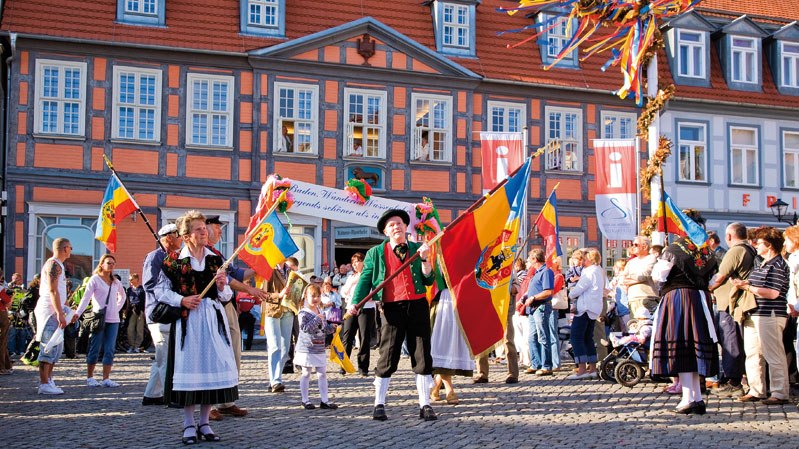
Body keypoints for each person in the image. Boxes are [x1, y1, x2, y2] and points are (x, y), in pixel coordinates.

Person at [155, 211, 238, 444]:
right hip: (188, 321)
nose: (204, 232)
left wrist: (222, 287)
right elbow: (160, 291)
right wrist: (181, 300)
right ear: (187, 235)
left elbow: (226, 296)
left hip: (212, 320)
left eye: (204, 228)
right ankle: (189, 424)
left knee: (211, 367)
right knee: (190, 370)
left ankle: (205, 422)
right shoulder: (173, 261)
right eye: (199, 229)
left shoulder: (215, 259)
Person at [346, 209, 437, 421]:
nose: (396, 227)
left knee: (422, 354)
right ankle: (379, 403)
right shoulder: (376, 253)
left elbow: (429, 280)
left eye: (399, 223)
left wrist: (425, 260)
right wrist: (354, 303)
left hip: (417, 305)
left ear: (406, 228)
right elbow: (365, 280)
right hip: (391, 308)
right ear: (386, 232)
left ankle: (425, 404)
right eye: (391, 225)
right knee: (388, 354)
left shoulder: (418, 249)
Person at [650, 234, 718, 415]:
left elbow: (658, 275)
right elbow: (713, 280)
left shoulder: (674, 250)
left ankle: (689, 398)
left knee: (683, 346)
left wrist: (661, 258)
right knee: (693, 349)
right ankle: (696, 397)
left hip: (679, 299)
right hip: (700, 299)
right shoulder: (705, 253)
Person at [731, 227, 791, 405]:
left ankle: (780, 393)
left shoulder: (778, 265)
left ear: (769, 245)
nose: (755, 245)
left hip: (770, 314)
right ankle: (756, 389)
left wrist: (747, 287)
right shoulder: (762, 263)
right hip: (755, 313)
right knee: (753, 353)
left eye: (758, 242)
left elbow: (773, 293)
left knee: (773, 353)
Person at [707, 222, 754, 398]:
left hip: (728, 303)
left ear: (728, 236)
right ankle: (735, 377)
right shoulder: (747, 249)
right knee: (730, 340)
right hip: (730, 302)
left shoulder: (736, 250)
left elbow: (720, 276)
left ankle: (733, 381)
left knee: (730, 342)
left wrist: (707, 287)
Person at [142, 222, 183, 406]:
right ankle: (170, 395)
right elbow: (149, 284)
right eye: (178, 235)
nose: (181, 238)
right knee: (166, 356)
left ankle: (152, 394)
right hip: (159, 312)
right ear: (169, 238)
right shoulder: (154, 257)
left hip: (171, 311)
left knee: (162, 355)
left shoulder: (174, 256)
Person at [74, 255, 126, 387]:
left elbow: (123, 296)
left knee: (109, 349)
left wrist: (116, 308)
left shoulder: (115, 281)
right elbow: (86, 298)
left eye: (113, 263)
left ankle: (106, 378)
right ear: (101, 264)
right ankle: (90, 377)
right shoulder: (95, 279)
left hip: (113, 319)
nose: (111, 265)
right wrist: (77, 313)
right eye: (109, 263)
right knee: (95, 347)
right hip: (99, 318)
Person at [34, 238, 74, 395]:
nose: (71, 250)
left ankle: (49, 379)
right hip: (49, 312)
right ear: (65, 248)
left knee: (56, 347)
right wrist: (59, 312)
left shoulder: (59, 265)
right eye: (70, 247)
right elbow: (53, 290)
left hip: (55, 310)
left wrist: (64, 309)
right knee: (48, 346)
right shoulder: (54, 264)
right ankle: (44, 383)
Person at [296, 283, 339, 410]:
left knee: (322, 374)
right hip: (307, 348)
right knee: (306, 373)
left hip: (319, 348)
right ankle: (305, 400)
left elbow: (324, 328)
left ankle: (324, 400)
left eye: (318, 296)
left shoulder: (320, 311)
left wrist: (332, 328)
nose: (316, 299)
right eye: (313, 296)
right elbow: (305, 328)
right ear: (306, 296)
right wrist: (317, 320)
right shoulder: (303, 313)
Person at [566, 248, 606, 380]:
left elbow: (580, 287)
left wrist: (570, 293)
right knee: (588, 338)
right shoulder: (598, 270)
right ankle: (592, 368)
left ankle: (582, 368)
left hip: (586, 307)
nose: (582, 261)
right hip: (593, 307)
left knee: (576, 337)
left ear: (590, 259)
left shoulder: (590, 271)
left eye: (584, 258)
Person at [430, 287, 473, 405]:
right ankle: (449, 389)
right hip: (441, 301)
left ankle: (435, 386)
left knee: (453, 347)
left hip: (461, 297)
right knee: (443, 346)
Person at [521, 248, 555, 376]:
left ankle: (547, 366)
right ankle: (536, 363)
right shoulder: (536, 273)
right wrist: (525, 298)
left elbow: (548, 291)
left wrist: (533, 298)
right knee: (532, 338)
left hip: (541, 307)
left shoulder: (546, 272)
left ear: (535, 259)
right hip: (533, 309)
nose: (528, 261)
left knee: (543, 337)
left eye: (529, 258)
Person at [261, 259, 293, 393]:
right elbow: (263, 293)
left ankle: (274, 378)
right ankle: (276, 381)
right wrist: (279, 295)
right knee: (275, 346)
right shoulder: (268, 269)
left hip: (288, 311)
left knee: (285, 349)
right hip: (272, 311)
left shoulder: (290, 271)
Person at [340, 252, 372, 376]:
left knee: (364, 337)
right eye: (353, 263)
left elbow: (371, 293)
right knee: (347, 337)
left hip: (366, 308)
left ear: (363, 262)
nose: (355, 265)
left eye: (357, 261)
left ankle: (363, 367)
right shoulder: (351, 277)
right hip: (350, 309)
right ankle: (344, 365)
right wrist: (353, 282)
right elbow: (343, 292)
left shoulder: (369, 275)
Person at [621, 236, 659, 314]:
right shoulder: (631, 262)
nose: (633, 247)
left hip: (647, 298)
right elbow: (622, 279)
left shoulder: (651, 258)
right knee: (634, 325)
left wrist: (630, 278)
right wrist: (635, 279)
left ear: (644, 246)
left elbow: (643, 276)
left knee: (648, 324)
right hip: (632, 299)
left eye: (635, 245)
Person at [126, 273, 146, 353]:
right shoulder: (129, 290)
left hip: (140, 311)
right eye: (129, 279)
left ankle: (137, 346)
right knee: (130, 329)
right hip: (131, 311)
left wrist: (144, 312)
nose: (130, 281)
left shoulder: (142, 290)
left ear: (137, 279)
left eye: (131, 279)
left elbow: (144, 301)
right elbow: (127, 301)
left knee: (139, 330)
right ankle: (131, 345)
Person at [0, 269, 13, 374]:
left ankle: (7, 365)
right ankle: (2, 367)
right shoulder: (1, 289)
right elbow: (8, 303)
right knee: (2, 341)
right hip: (1, 313)